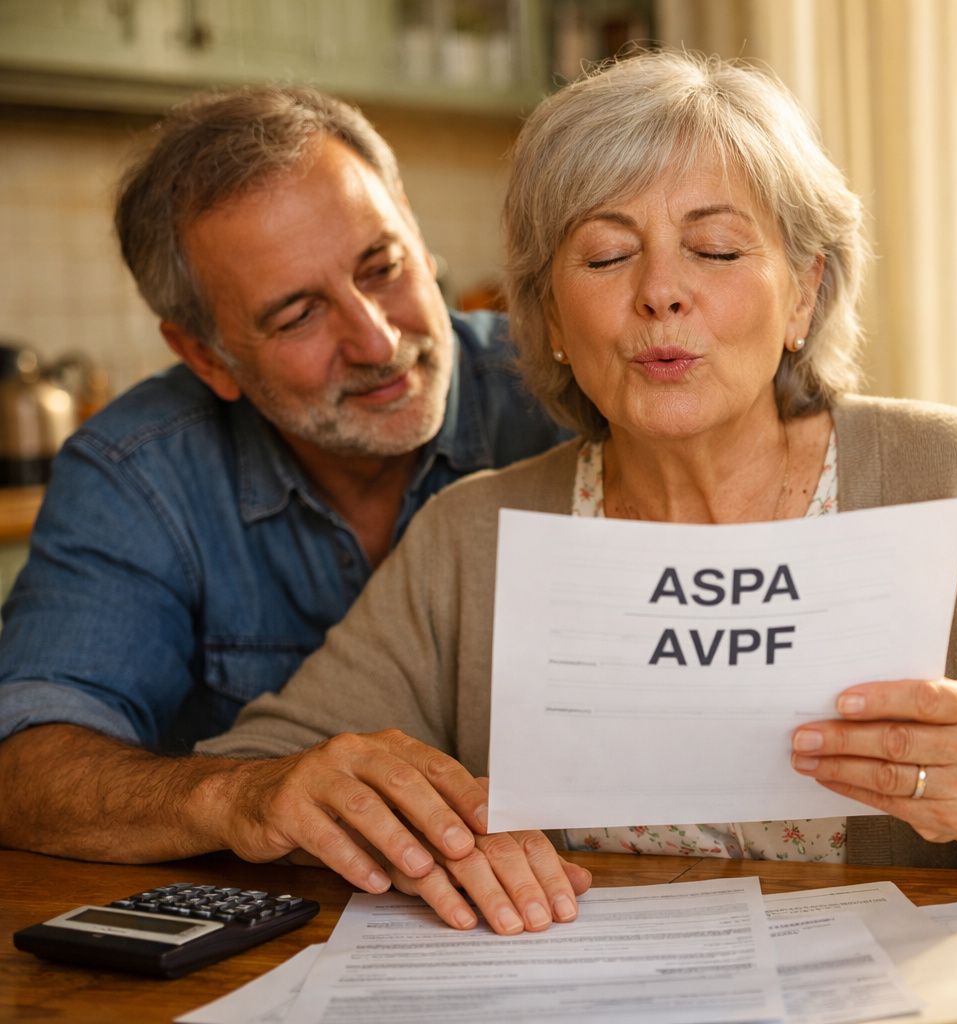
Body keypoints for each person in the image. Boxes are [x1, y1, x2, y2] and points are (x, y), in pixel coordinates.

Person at [198, 48, 957, 928]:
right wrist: (341, 796)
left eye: (714, 247)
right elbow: (259, 773)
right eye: (607, 257)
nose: (663, 293)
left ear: (803, 290)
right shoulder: (477, 534)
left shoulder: (951, 476)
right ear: (551, 321)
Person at [0, 87, 593, 933]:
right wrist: (247, 792)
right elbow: (21, 766)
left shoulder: (568, 395)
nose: (378, 342)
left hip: (578, 919)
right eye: (298, 314)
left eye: (381, 267)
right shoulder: (140, 473)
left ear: (420, 242)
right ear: (207, 356)